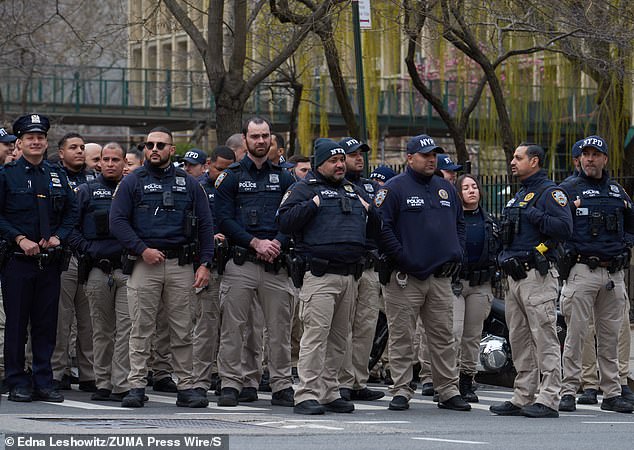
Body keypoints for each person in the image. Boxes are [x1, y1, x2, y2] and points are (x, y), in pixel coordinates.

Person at [109, 126, 214, 408]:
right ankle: (136, 385)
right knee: (141, 328)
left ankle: (187, 386)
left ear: (171, 150)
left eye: (160, 145)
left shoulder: (190, 183)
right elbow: (117, 221)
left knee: (182, 329)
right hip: (145, 264)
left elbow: (205, 225)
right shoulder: (132, 182)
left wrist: (205, 264)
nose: (154, 149)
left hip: (181, 264)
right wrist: (142, 249)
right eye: (149, 145)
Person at [277, 138, 379, 415]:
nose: (339, 165)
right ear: (318, 164)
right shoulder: (303, 189)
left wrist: (371, 210)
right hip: (319, 275)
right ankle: (306, 393)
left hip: (349, 275)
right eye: (333, 161)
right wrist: (313, 204)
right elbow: (284, 221)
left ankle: (330, 391)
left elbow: (377, 228)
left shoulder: (353, 190)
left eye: (340, 160)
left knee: (339, 339)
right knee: (315, 336)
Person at [376, 134, 470, 412]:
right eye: (425, 155)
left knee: (443, 337)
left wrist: (458, 252)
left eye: (434, 155)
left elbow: (460, 224)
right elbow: (382, 229)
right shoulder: (394, 189)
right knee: (402, 335)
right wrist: (404, 258)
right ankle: (401, 390)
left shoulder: (445, 188)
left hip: (440, 278)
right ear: (409, 158)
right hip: (405, 278)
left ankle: (447, 390)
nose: (431, 160)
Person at [214, 116, 295, 408]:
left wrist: (276, 243)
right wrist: (254, 242)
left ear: (271, 139)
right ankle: (232, 384)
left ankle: (282, 384)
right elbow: (223, 218)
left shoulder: (286, 177)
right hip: (241, 262)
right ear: (245, 139)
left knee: (279, 328)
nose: (260, 141)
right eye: (255, 136)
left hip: (275, 262)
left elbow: (293, 217)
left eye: (265, 136)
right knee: (234, 328)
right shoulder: (231, 176)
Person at [489, 143, 572, 418]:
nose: (513, 162)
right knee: (520, 338)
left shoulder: (550, 193)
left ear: (534, 161)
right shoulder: (521, 194)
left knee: (544, 337)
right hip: (514, 278)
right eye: (513, 157)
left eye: (518, 157)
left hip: (537, 277)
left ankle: (549, 398)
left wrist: (535, 215)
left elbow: (563, 229)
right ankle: (523, 394)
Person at [0, 113, 77, 403]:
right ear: (19, 143)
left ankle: (44, 381)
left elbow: (72, 211)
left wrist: (60, 235)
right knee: (17, 326)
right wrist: (19, 238)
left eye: (40, 137)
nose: (36, 141)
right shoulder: (7, 176)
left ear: (46, 142)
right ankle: (18, 381)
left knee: (46, 325)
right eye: (30, 138)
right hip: (18, 262)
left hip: (49, 262)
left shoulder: (57, 175)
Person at [557, 135, 634, 413]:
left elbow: (631, 223)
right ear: (579, 159)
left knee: (610, 336)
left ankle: (612, 392)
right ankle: (569, 390)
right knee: (576, 334)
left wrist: (626, 246)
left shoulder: (617, 191)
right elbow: (555, 227)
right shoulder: (567, 189)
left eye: (595, 154)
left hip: (613, 273)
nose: (590, 159)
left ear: (605, 159)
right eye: (585, 154)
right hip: (581, 270)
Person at [68, 142, 132, 402]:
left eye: (115, 160)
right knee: (101, 329)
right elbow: (69, 228)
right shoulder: (85, 191)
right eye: (105, 159)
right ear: (98, 162)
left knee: (127, 328)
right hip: (97, 269)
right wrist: (88, 249)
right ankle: (103, 382)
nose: (109, 164)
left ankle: (122, 383)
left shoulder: (132, 190)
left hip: (128, 269)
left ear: (124, 163)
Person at [337, 137, 384, 402]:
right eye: (352, 154)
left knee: (366, 326)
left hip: (368, 265)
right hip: (345, 265)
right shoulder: (334, 185)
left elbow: (380, 221)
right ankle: (342, 381)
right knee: (343, 327)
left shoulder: (369, 186)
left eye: (361, 154)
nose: (359, 158)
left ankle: (358, 380)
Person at [51, 132, 96, 392]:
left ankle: (89, 373)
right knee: (60, 319)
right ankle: (58, 371)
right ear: (61, 152)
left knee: (89, 321)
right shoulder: (53, 177)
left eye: (81, 147)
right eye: (73, 147)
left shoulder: (94, 178)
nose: (79, 151)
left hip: (89, 257)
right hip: (64, 255)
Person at [192, 145, 236, 396]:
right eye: (219, 169)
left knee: (231, 328)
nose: (222, 175)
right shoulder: (197, 189)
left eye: (228, 170)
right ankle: (200, 378)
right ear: (209, 164)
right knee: (206, 326)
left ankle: (225, 375)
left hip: (232, 264)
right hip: (206, 264)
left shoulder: (234, 187)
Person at [453, 174, 500, 402]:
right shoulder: (452, 219)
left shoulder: (489, 221)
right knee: (453, 332)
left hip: (480, 284)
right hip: (455, 283)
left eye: (474, 187)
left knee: (472, 336)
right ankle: (447, 382)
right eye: (465, 187)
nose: (471, 191)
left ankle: (466, 380)